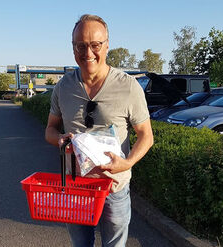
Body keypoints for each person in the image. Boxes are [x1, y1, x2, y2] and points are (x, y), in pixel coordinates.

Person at [45, 14, 153, 247]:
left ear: (107, 45)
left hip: (114, 187)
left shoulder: (128, 86)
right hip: (76, 187)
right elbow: (50, 130)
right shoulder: (63, 87)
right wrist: (61, 139)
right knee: (80, 244)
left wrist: (127, 163)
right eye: (81, 45)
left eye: (95, 45)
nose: (88, 52)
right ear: (73, 48)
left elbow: (146, 135)